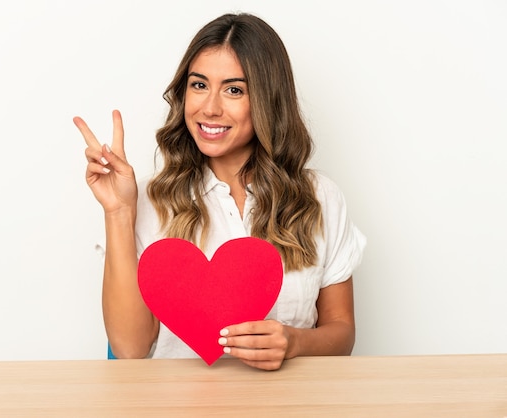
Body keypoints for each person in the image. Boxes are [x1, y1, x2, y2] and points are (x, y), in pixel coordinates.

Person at [74, 12, 366, 371]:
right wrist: (119, 212)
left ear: (267, 99)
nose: (210, 108)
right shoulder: (148, 199)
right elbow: (130, 349)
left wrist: (294, 342)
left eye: (234, 90)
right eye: (199, 85)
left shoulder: (321, 198)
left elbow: (342, 332)